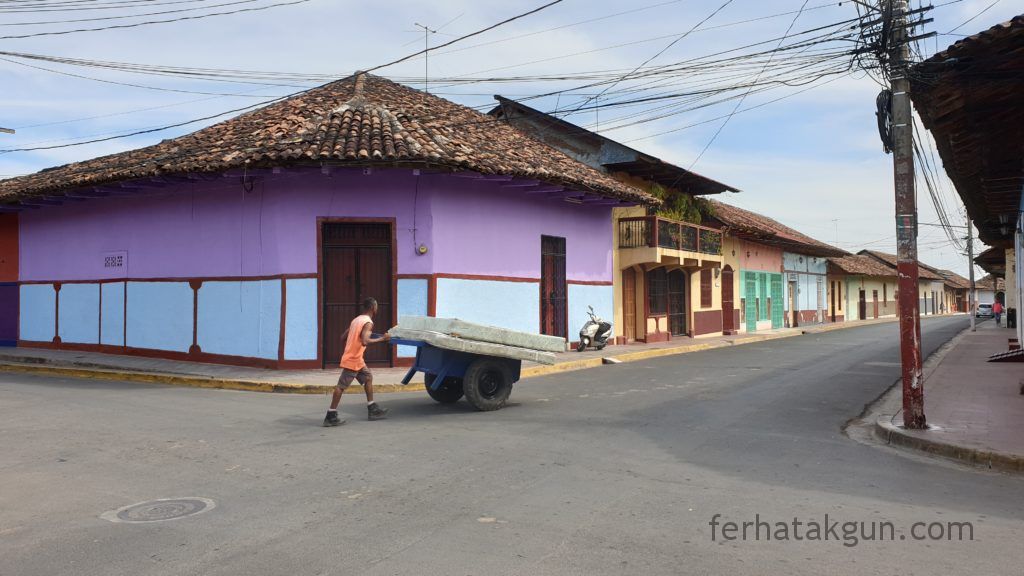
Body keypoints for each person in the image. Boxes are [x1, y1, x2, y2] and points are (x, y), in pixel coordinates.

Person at [324, 297, 390, 426]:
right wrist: (383, 338)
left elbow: (343, 337)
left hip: (357, 358)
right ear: (373, 308)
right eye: (376, 306)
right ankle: (330, 415)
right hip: (353, 359)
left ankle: (372, 409)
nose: (377, 309)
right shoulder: (368, 322)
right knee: (341, 387)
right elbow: (365, 341)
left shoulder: (356, 320)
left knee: (368, 378)